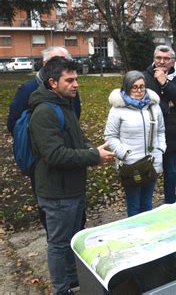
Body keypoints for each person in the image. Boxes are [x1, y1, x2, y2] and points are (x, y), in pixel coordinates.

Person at [28, 56, 114, 294]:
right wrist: (92, 156)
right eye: (70, 80)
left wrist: (89, 148)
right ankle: (61, 289)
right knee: (58, 244)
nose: (76, 84)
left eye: (76, 79)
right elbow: (54, 155)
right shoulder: (45, 112)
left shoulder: (63, 105)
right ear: (53, 82)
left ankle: (73, 279)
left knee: (72, 240)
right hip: (57, 193)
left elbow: (75, 140)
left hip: (72, 189)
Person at [7, 46, 83, 234]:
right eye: (56, 61)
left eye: (65, 61)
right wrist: (40, 143)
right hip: (44, 160)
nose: (62, 65)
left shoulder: (69, 89)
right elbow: (15, 123)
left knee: (76, 219)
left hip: (70, 160)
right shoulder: (30, 89)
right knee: (55, 224)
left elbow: (75, 115)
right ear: (46, 65)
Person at [105, 71, 166, 217]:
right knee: (134, 206)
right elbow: (110, 136)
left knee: (147, 203)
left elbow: (161, 130)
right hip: (131, 165)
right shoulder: (117, 109)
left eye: (142, 87)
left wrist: (160, 148)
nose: (139, 91)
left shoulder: (153, 106)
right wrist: (124, 153)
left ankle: (147, 234)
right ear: (127, 88)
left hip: (151, 162)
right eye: (135, 87)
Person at [143, 45, 176, 204]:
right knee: (149, 172)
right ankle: (146, 206)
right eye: (158, 58)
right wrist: (168, 104)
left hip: (173, 135)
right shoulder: (144, 77)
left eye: (166, 59)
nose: (162, 62)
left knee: (171, 172)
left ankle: (170, 204)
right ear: (154, 59)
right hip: (148, 135)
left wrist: (165, 84)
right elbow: (142, 102)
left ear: (172, 61)